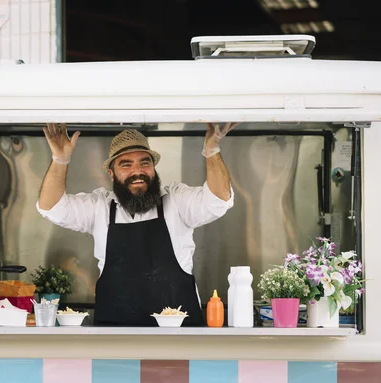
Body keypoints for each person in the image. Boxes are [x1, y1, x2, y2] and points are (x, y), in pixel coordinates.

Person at [36, 122, 238, 327]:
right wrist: (60, 160)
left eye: (145, 163)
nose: (137, 171)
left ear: (153, 168)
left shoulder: (176, 201)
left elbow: (219, 200)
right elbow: (51, 207)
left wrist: (212, 150)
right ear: (112, 173)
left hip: (178, 338)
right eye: (126, 164)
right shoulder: (100, 207)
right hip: (114, 338)